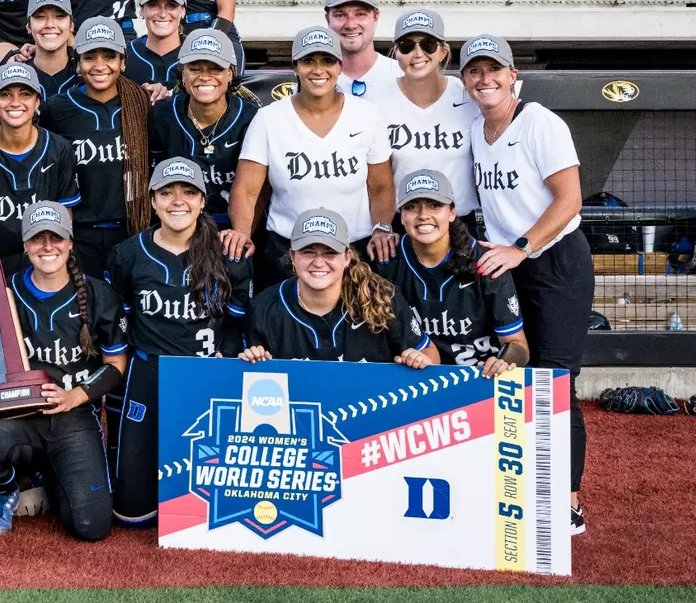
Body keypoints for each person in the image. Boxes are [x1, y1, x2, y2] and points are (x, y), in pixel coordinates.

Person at [459, 34, 593, 533]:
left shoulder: (540, 122)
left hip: (554, 260)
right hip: (506, 262)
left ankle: (568, 498)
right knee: (510, 372)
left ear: (514, 75)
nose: (485, 78)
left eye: (495, 69)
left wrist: (521, 245)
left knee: (555, 381)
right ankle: (514, 483)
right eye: (475, 70)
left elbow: (569, 199)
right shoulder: (477, 129)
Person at [0, 200, 125, 539]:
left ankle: (51, 474)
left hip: (74, 418)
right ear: (25, 245)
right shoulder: (2, 291)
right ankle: (6, 489)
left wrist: (74, 397)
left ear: (70, 242)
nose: (48, 247)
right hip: (18, 417)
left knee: (91, 527)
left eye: (56, 238)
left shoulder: (98, 294)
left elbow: (116, 366)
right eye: (38, 238)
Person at [107, 158, 251, 525]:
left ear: (203, 201)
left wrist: (228, 355)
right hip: (149, 371)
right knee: (131, 514)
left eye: (189, 192)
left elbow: (240, 322)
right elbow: (119, 318)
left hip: (206, 373)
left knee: (207, 510)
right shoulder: (128, 254)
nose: (177, 201)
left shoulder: (227, 253)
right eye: (166, 192)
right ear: (152, 199)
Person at [229, 26, 394, 292]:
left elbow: (381, 186)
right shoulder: (269, 118)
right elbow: (247, 190)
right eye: (308, 61)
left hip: (353, 247)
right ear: (295, 67)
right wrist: (242, 233)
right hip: (288, 248)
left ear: (340, 66)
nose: (318, 70)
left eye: (327, 60)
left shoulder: (367, 114)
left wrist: (382, 227)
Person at [237, 207, 439, 364]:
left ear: (347, 257)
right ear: (292, 257)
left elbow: (429, 352)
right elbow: (251, 383)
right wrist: (253, 360)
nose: (318, 262)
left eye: (329, 252)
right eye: (308, 251)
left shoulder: (382, 297)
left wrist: (421, 359)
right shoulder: (264, 308)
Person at [378, 169, 530, 372]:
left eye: (435, 205)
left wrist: (504, 361)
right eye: (412, 207)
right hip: (416, 376)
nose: (423, 215)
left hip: (479, 375)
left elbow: (519, 345)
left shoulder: (486, 261)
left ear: (451, 213)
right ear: (402, 216)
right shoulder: (387, 261)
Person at [41, 18, 154, 274]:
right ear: (78, 63)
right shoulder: (57, 108)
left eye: (109, 56)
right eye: (90, 57)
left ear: (123, 62)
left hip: (131, 229)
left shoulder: (142, 105)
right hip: (80, 234)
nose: (100, 65)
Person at [0, 64, 81, 273]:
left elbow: (65, 215)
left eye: (25, 94)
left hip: (45, 257)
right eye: (6, 94)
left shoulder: (59, 148)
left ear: (37, 102)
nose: (15, 103)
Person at [148, 28, 255, 229]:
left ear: (230, 74)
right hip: (177, 223)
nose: (205, 77)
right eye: (195, 68)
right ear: (183, 74)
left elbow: (255, 192)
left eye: (215, 68)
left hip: (233, 226)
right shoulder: (162, 114)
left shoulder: (252, 118)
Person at [376, 10, 479, 220]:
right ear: (396, 52)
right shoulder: (376, 100)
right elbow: (377, 181)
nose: (418, 53)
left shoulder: (469, 95)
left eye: (428, 44)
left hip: (461, 220)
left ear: (443, 51)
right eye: (406, 46)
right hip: (406, 221)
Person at [322, 0, 402, 102]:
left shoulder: (402, 75)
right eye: (340, 15)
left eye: (360, 14)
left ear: (376, 17)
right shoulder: (315, 80)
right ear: (328, 19)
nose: (351, 24)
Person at [124, 0, 186, 99]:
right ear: (142, 10)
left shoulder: (197, 56)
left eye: (171, 5)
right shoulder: (124, 56)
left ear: (183, 11)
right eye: (153, 5)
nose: (163, 14)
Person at [12, 0, 80, 98]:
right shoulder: (15, 73)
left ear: (71, 25)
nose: (50, 24)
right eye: (40, 17)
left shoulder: (86, 73)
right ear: (29, 26)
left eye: (59, 16)